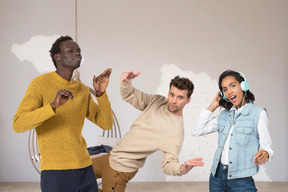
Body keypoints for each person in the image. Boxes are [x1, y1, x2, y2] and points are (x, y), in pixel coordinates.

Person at [13, 35, 113, 192]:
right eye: (70, 50)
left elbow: (106, 123)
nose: (77, 53)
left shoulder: (81, 89)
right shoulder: (39, 84)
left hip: (85, 168)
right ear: (57, 57)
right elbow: (18, 124)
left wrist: (100, 95)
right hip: (55, 173)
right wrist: (52, 106)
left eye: (78, 50)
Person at [91, 71, 204, 192]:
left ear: (188, 100)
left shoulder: (175, 131)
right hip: (110, 157)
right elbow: (130, 95)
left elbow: (168, 164)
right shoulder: (158, 101)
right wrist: (125, 82)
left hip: (120, 170)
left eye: (180, 97)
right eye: (172, 94)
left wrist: (181, 169)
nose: (173, 100)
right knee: (73, 175)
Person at [191, 70, 273, 192]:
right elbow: (197, 130)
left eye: (233, 86)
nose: (229, 92)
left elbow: (267, 146)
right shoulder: (223, 115)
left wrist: (266, 153)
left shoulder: (258, 113)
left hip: (241, 180)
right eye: (225, 89)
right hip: (216, 177)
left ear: (243, 86)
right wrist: (213, 106)